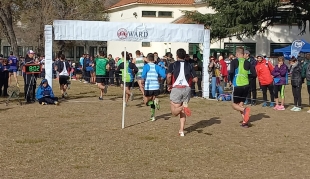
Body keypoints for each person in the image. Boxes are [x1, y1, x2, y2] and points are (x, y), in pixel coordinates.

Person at [167, 48, 198, 137]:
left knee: (174, 112)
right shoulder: (190, 65)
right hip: (187, 89)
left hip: (176, 89)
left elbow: (169, 76)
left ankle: (182, 108)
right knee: (183, 109)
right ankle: (181, 130)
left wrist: (169, 85)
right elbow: (195, 79)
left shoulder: (172, 65)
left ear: (177, 56)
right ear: (185, 56)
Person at [229, 47, 257, 128]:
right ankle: (245, 122)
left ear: (237, 54)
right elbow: (254, 74)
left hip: (237, 85)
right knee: (240, 104)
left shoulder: (234, 61)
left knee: (234, 105)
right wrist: (247, 77)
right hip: (246, 85)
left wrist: (230, 80)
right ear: (243, 53)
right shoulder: (248, 62)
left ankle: (244, 110)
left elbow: (231, 72)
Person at [141, 53, 166, 121]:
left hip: (148, 87)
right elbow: (164, 75)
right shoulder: (157, 67)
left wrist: (142, 82)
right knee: (153, 100)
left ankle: (154, 105)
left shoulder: (146, 66)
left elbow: (143, 76)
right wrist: (160, 79)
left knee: (146, 102)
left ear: (148, 59)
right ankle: (152, 116)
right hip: (156, 87)